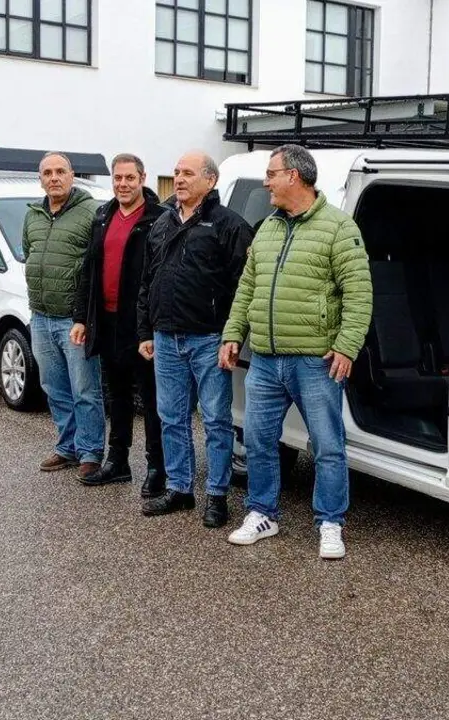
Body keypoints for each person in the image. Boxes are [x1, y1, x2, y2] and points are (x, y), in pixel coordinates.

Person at [218, 144, 372, 560]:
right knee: (258, 439)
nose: (266, 181)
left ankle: (330, 522)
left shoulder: (339, 229)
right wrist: (234, 333)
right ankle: (262, 513)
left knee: (326, 445)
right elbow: (247, 287)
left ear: (295, 176)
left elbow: (359, 294)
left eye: (272, 173)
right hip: (266, 359)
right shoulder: (267, 228)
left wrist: (346, 345)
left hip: (314, 361)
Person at [137, 150, 254, 528]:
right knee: (171, 417)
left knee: (217, 420)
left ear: (211, 180)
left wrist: (232, 336)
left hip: (208, 339)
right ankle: (180, 488)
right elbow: (147, 281)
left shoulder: (229, 225)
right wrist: (145, 331)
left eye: (188, 173)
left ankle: (217, 495)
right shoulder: (162, 223)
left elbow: (243, 287)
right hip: (165, 336)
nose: (180, 179)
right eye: (176, 172)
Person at [71, 153, 166, 496]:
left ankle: (157, 468)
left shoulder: (159, 218)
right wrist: (82, 317)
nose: (123, 184)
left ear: (143, 178)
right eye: (117, 178)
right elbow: (89, 270)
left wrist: (152, 327)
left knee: (152, 400)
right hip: (107, 321)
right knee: (118, 395)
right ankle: (118, 462)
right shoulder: (103, 215)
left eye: (130, 178)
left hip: (141, 325)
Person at [24, 151, 106, 480]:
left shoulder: (90, 212)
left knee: (85, 388)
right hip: (40, 315)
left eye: (60, 171)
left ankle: (90, 451)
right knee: (53, 386)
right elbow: (29, 253)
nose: (54, 177)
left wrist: (84, 316)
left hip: (73, 319)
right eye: (47, 173)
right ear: (40, 178)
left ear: (72, 175)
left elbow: (96, 267)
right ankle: (67, 446)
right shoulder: (32, 215)